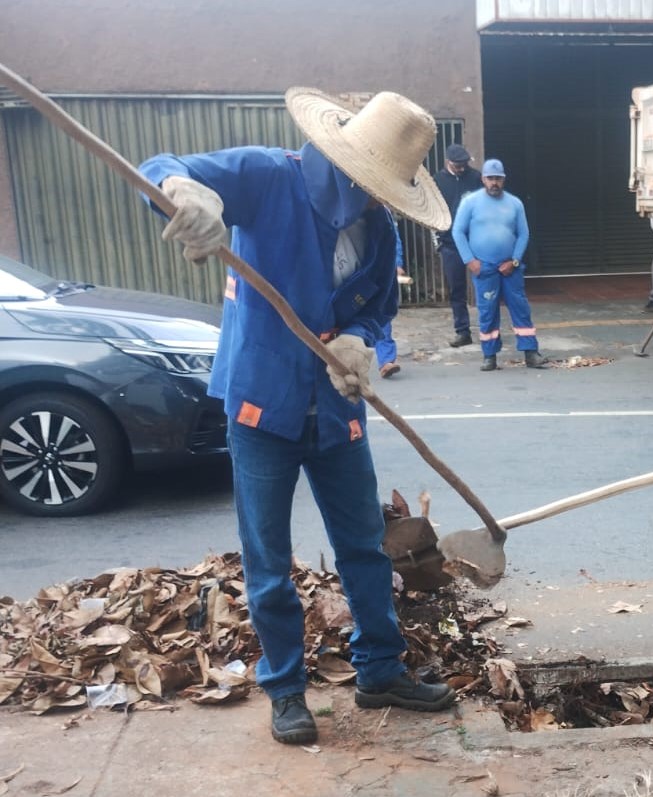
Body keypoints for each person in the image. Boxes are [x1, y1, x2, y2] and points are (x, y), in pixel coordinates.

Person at [138, 88, 457, 746]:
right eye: (374, 185)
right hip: (263, 406)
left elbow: (374, 308)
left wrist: (360, 340)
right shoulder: (267, 177)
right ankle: (285, 688)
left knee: (365, 545)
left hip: (336, 407)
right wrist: (183, 194)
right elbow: (160, 164)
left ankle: (379, 670)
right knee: (269, 560)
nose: (378, 198)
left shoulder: (379, 228)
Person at [451, 158, 549, 371]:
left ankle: (531, 353)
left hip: (510, 267)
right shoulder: (470, 202)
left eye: (498, 178)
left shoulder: (515, 203)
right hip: (483, 267)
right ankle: (489, 355)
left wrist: (514, 261)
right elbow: (457, 231)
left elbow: (523, 234)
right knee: (487, 311)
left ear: (503, 180)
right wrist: (470, 260)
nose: (494, 182)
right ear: (483, 179)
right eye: (490, 178)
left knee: (520, 308)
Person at [434, 144, 481, 348]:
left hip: (476, 241)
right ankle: (463, 332)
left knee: (486, 285)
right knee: (457, 290)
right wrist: (437, 239)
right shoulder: (437, 181)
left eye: (464, 164)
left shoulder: (476, 177)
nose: (462, 168)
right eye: (458, 165)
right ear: (448, 162)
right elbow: (432, 211)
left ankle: (490, 330)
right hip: (450, 243)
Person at [375, 223, 406, 379]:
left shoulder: (384, 213)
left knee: (382, 315)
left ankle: (386, 360)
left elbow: (394, 240)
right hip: (355, 271)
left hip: (381, 270)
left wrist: (397, 263)